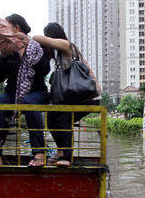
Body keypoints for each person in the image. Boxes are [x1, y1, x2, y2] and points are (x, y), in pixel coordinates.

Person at [0, 14, 50, 167]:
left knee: (28, 102)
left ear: (16, 28)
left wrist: (23, 49)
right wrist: (3, 55)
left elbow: (44, 70)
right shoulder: (7, 50)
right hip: (12, 94)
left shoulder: (36, 45)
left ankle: (39, 152)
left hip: (37, 92)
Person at [33, 22, 101, 167]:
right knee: (51, 119)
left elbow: (37, 38)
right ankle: (61, 152)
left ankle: (67, 157)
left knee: (64, 119)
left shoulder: (66, 45)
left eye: (48, 36)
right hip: (76, 98)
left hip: (87, 98)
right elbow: (87, 67)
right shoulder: (60, 55)